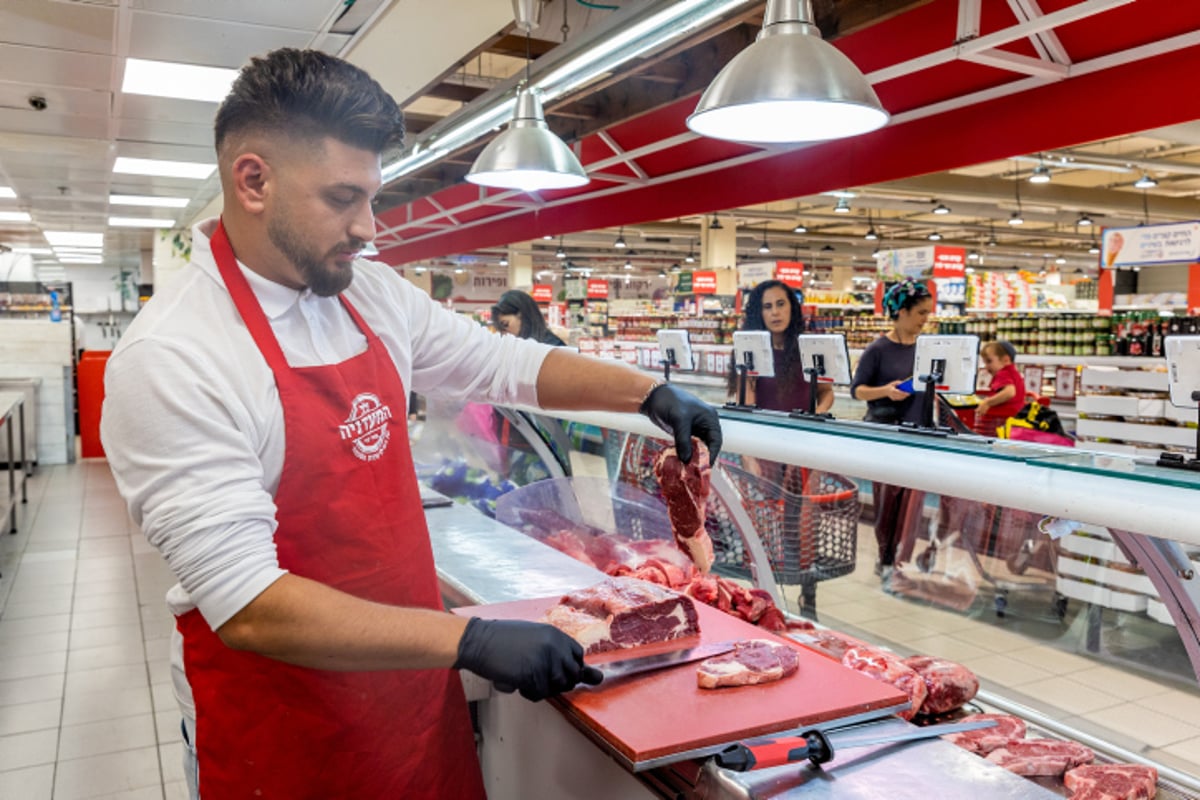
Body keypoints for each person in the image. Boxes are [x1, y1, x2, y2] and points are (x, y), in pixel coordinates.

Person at [100, 48, 721, 799]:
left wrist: (648, 394)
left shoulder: (372, 295)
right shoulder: (174, 355)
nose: (368, 228)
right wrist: (472, 638)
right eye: (341, 198)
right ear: (253, 180)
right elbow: (250, 605)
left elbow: (501, 364)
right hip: (280, 720)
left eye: (372, 197)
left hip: (407, 693)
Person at [850, 280, 934, 585]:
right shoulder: (877, 349)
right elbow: (857, 391)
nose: (926, 319)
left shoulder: (928, 348)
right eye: (921, 312)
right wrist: (886, 390)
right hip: (884, 434)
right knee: (888, 500)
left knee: (913, 502)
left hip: (918, 432)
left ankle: (901, 559)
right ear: (901, 312)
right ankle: (885, 558)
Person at [728, 279, 833, 414]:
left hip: (804, 429)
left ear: (792, 307)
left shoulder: (811, 346)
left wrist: (818, 412)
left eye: (781, 304)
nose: (775, 312)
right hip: (763, 429)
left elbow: (826, 391)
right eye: (767, 306)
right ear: (759, 313)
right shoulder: (748, 350)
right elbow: (745, 401)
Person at [974, 340, 1026, 436]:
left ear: (1006, 360)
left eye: (989, 361)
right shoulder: (1013, 373)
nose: (986, 367)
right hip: (1011, 424)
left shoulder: (1003, 373)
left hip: (999, 425)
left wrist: (988, 402)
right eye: (985, 362)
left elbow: (1010, 392)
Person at [492, 289, 566, 346]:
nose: (503, 333)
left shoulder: (552, 347)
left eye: (505, 324)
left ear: (523, 316)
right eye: (499, 329)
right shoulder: (518, 346)